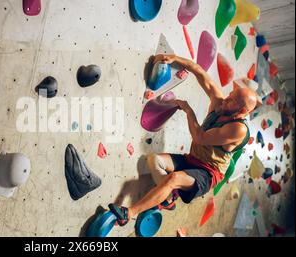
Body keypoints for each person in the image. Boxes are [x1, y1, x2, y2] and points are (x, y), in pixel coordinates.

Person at [109, 54, 260, 226]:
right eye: (230, 94)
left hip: (208, 173)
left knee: (173, 179)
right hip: (192, 159)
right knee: (154, 160)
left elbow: (200, 137)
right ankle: (168, 199)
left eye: (232, 100)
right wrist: (174, 58)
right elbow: (200, 72)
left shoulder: (238, 129)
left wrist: (188, 110)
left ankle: (129, 213)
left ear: (240, 112)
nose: (226, 98)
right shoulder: (221, 104)